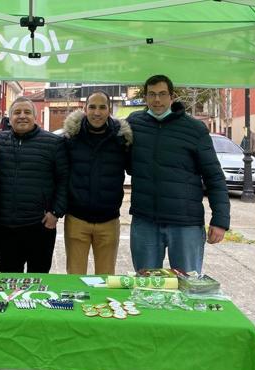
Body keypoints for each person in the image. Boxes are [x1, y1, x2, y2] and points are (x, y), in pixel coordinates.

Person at [127, 74, 230, 274]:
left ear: (172, 97)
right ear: (146, 98)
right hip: (145, 221)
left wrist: (220, 220)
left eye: (162, 94)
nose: (157, 100)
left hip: (185, 224)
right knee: (146, 288)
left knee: (187, 286)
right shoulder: (134, 124)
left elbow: (214, 176)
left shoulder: (194, 129)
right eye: (152, 94)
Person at [0, 97, 69, 273]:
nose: (22, 116)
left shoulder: (53, 143)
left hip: (40, 226)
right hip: (7, 228)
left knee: (39, 282)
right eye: (17, 112)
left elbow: (64, 180)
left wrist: (56, 212)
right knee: (10, 283)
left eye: (27, 112)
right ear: (9, 118)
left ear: (36, 117)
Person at [62, 91, 132, 275]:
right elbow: (61, 175)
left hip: (109, 220)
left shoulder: (121, 139)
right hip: (77, 219)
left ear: (109, 110)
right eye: (92, 107)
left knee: (106, 278)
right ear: (85, 109)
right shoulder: (71, 138)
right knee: (75, 278)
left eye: (102, 107)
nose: (97, 112)